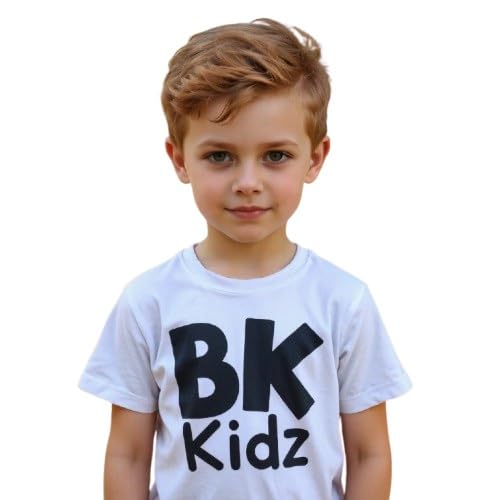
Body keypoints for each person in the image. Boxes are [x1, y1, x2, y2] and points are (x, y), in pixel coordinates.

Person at [78, 17, 412, 500]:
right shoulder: (148, 302)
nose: (248, 183)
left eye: (275, 156)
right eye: (220, 156)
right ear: (179, 159)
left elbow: (369, 453)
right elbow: (128, 454)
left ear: (315, 158)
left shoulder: (344, 302)